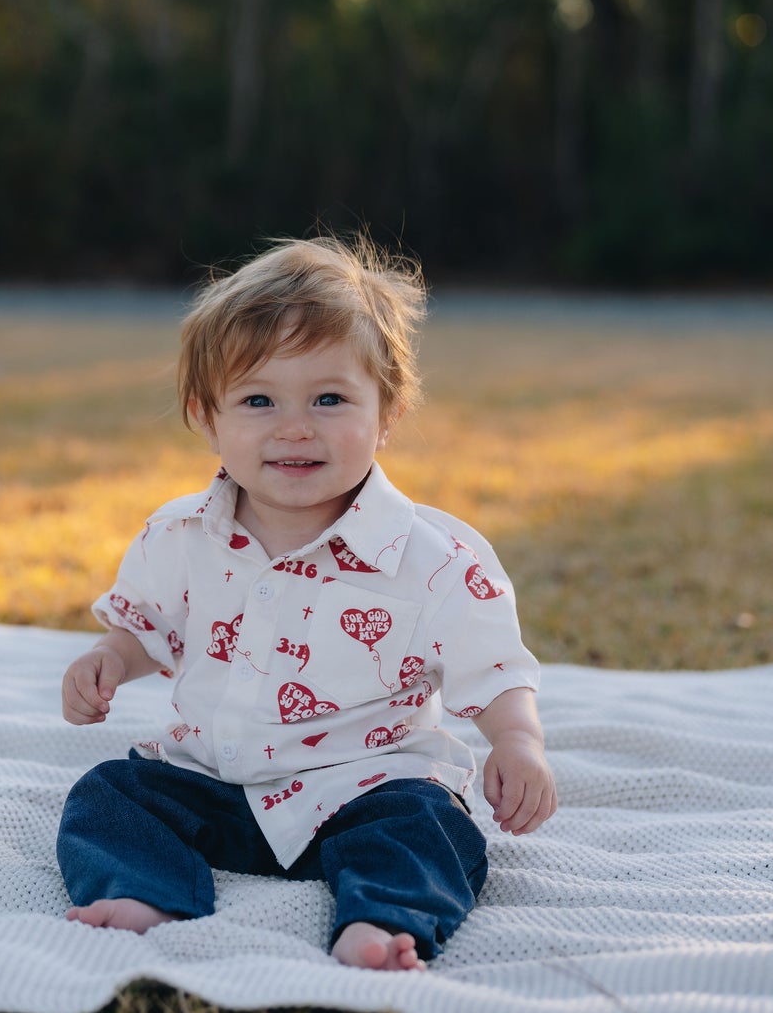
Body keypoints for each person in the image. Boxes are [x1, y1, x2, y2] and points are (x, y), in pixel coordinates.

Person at [56, 235, 556, 971]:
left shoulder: (437, 559)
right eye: (258, 400)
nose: (295, 427)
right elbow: (149, 630)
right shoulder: (180, 535)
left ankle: (382, 923)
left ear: (388, 410)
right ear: (207, 416)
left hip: (365, 786)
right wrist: (108, 658)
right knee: (110, 795)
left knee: (428, 827)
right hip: (213, 782)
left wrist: (518, 742)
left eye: (329, 399)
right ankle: (145, 894)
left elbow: (496, 667)